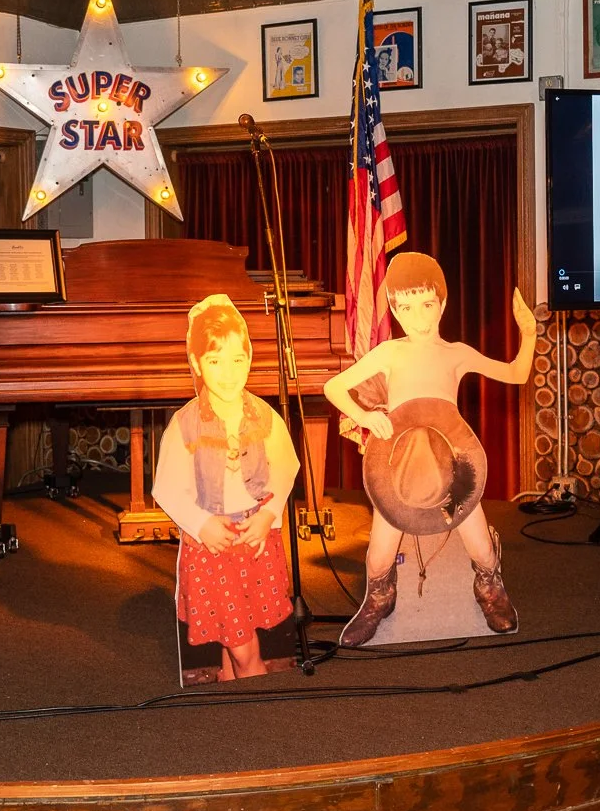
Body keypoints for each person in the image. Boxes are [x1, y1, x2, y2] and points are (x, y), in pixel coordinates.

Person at [324, 251, 536, 643]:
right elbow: (333, 387)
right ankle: (379, 596)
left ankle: (489, 585)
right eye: (406, 308)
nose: (418, 319)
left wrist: (529, 334)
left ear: (443, 302)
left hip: (451, 468)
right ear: (393, 309)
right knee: (378, 556)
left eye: (426, 305)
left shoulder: (457, 354)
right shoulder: (390, 352)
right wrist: (364, 416)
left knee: (482, 549)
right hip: (401, 467)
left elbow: (516, 373)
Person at [150, 294, 299, 681]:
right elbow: (166, 487)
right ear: (197, 363)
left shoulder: (264, 416)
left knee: (236, 639)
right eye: (215, 361)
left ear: (249, 358)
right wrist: (201, 524)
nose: (228, 373)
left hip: (254, 541)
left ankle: (231, 698)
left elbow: (287, 467)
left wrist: (268, 515)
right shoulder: (186, 424)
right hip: (213, 551)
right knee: (245, 650)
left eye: (237, 360)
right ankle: (262, 703)